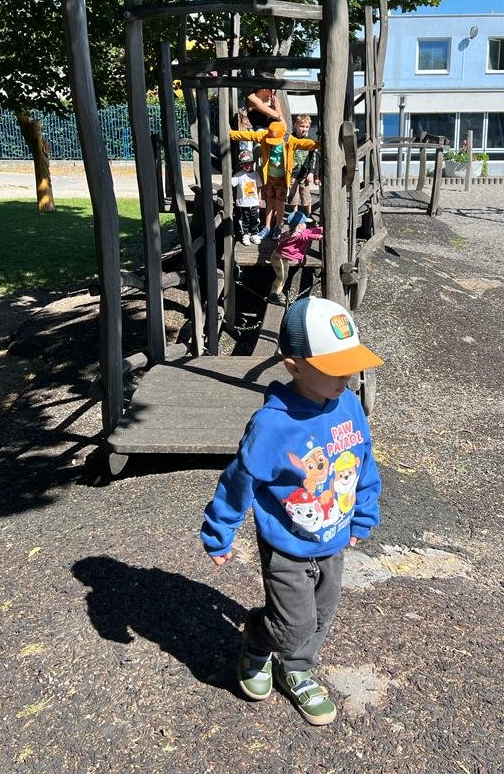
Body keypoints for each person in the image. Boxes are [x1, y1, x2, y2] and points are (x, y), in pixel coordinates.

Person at [200, 297, 384, 726]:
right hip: (286, 543)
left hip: (333, 536)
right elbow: (240, 480)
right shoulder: (272, 425)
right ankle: (258, 640)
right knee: (293, 623)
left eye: (351, 365)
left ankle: (296, 668)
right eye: (335, 368)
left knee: (322, 612)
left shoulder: (348, 404)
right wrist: (220, 530)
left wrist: (363, 512)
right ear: (294, 366)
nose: (347, 377)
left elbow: (363, 461)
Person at [229, 120, 319, 239]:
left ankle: (277, 227)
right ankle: (267, 227)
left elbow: (304, 143)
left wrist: (320, 144)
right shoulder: (264, 135)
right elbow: (249, 135)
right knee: (270, 201)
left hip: (282, 178)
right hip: (269, 177)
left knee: (280, 203)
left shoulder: (288, 139)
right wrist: (231, 134)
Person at [268, 211, 323, 305]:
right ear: (300, 225)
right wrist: (321, 236)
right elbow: (309, 236)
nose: (306, 225)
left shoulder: (293, 232)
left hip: (282, 257)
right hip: (278, 258)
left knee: (284, 276)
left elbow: (310, 231)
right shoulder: (297, 235)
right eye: (305, 223)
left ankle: (277, 292)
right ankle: (273, 295)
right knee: (281, 277)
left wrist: (321, 229)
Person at [287, 114, 319, 217]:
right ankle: (295, 216)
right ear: (295, 125)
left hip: (305, 174)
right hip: (292, 173)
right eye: (302, 126)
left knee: (306, 196)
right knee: (293, 197)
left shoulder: (310, 140)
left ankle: (309, 215)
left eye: (307, 127)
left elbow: (313, 157)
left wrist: (312, 172)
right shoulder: (290, 138)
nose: (304, 129)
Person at [231, 150, 262, 245]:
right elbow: (230, 183)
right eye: (244, 164)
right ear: (241, 165)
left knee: (255, 218)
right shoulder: (238, 175)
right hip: (243, 203)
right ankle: (245, 234)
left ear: (253, 163)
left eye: (249, 163)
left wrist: (260, 199)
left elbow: (259, 188)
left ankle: (254, 234)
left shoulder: (256, 175)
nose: (247, 165)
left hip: (254, 202)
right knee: (244, 219)